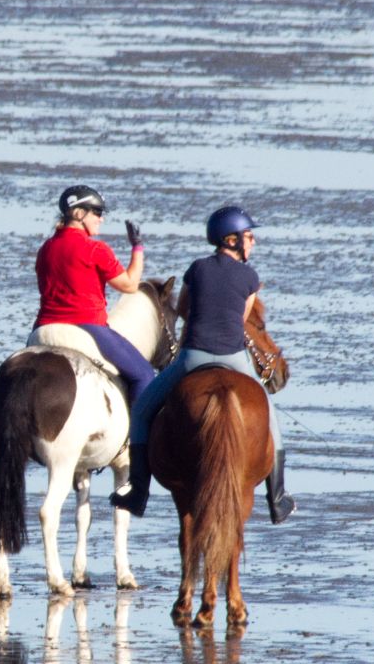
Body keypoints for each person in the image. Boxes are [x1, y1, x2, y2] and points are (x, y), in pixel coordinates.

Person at [111, 205, 295, 523]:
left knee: (141, 411)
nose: (253, 243)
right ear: (232, 239)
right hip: (233, 358)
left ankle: (137, 491)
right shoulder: (250, 277)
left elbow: (183, 308)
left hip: (191, 356)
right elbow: (239, 320)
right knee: (270, 419)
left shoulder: (196, 269)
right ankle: (277, 498)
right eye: (249, 237)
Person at [34, 184, 154, 409]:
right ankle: (138, 441)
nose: (101, 219)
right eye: (97, 213)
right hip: (87, 325)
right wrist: (137, 248)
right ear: (79, 214)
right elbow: (129, 285)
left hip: (43, 327)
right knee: (144, 374)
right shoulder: (95, 249)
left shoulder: (46, 249)